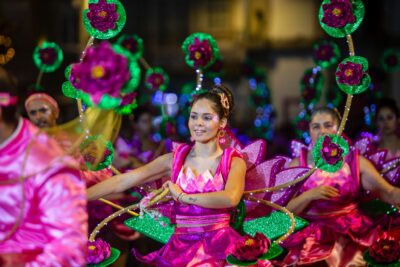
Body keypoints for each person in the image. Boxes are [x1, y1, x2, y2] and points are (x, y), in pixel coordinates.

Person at [88, 84, 247, 266]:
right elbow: (122, 181)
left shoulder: (233, 161)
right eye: (193, 117)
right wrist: (77, 197)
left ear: (222, 123)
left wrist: (182, 196)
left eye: (207, 117)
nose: (198, 124)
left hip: (221, 246)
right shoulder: (174, 160)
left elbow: (230, 198)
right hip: (180, 249)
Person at [277, 107, 400, 266]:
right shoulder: (297, 165)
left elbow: (389, 192)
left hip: (352, 232)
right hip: (313, 237)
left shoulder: (354, 162)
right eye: (316, 126)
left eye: (328, 125)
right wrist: (310, 195)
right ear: (309, 130)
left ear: (339, 127)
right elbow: (285, 212)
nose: (322, 131)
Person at [0, 75, 87, 266]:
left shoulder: (50, 163)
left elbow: (68, 250)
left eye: (43, 110)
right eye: (33, 112)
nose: (38, 117)